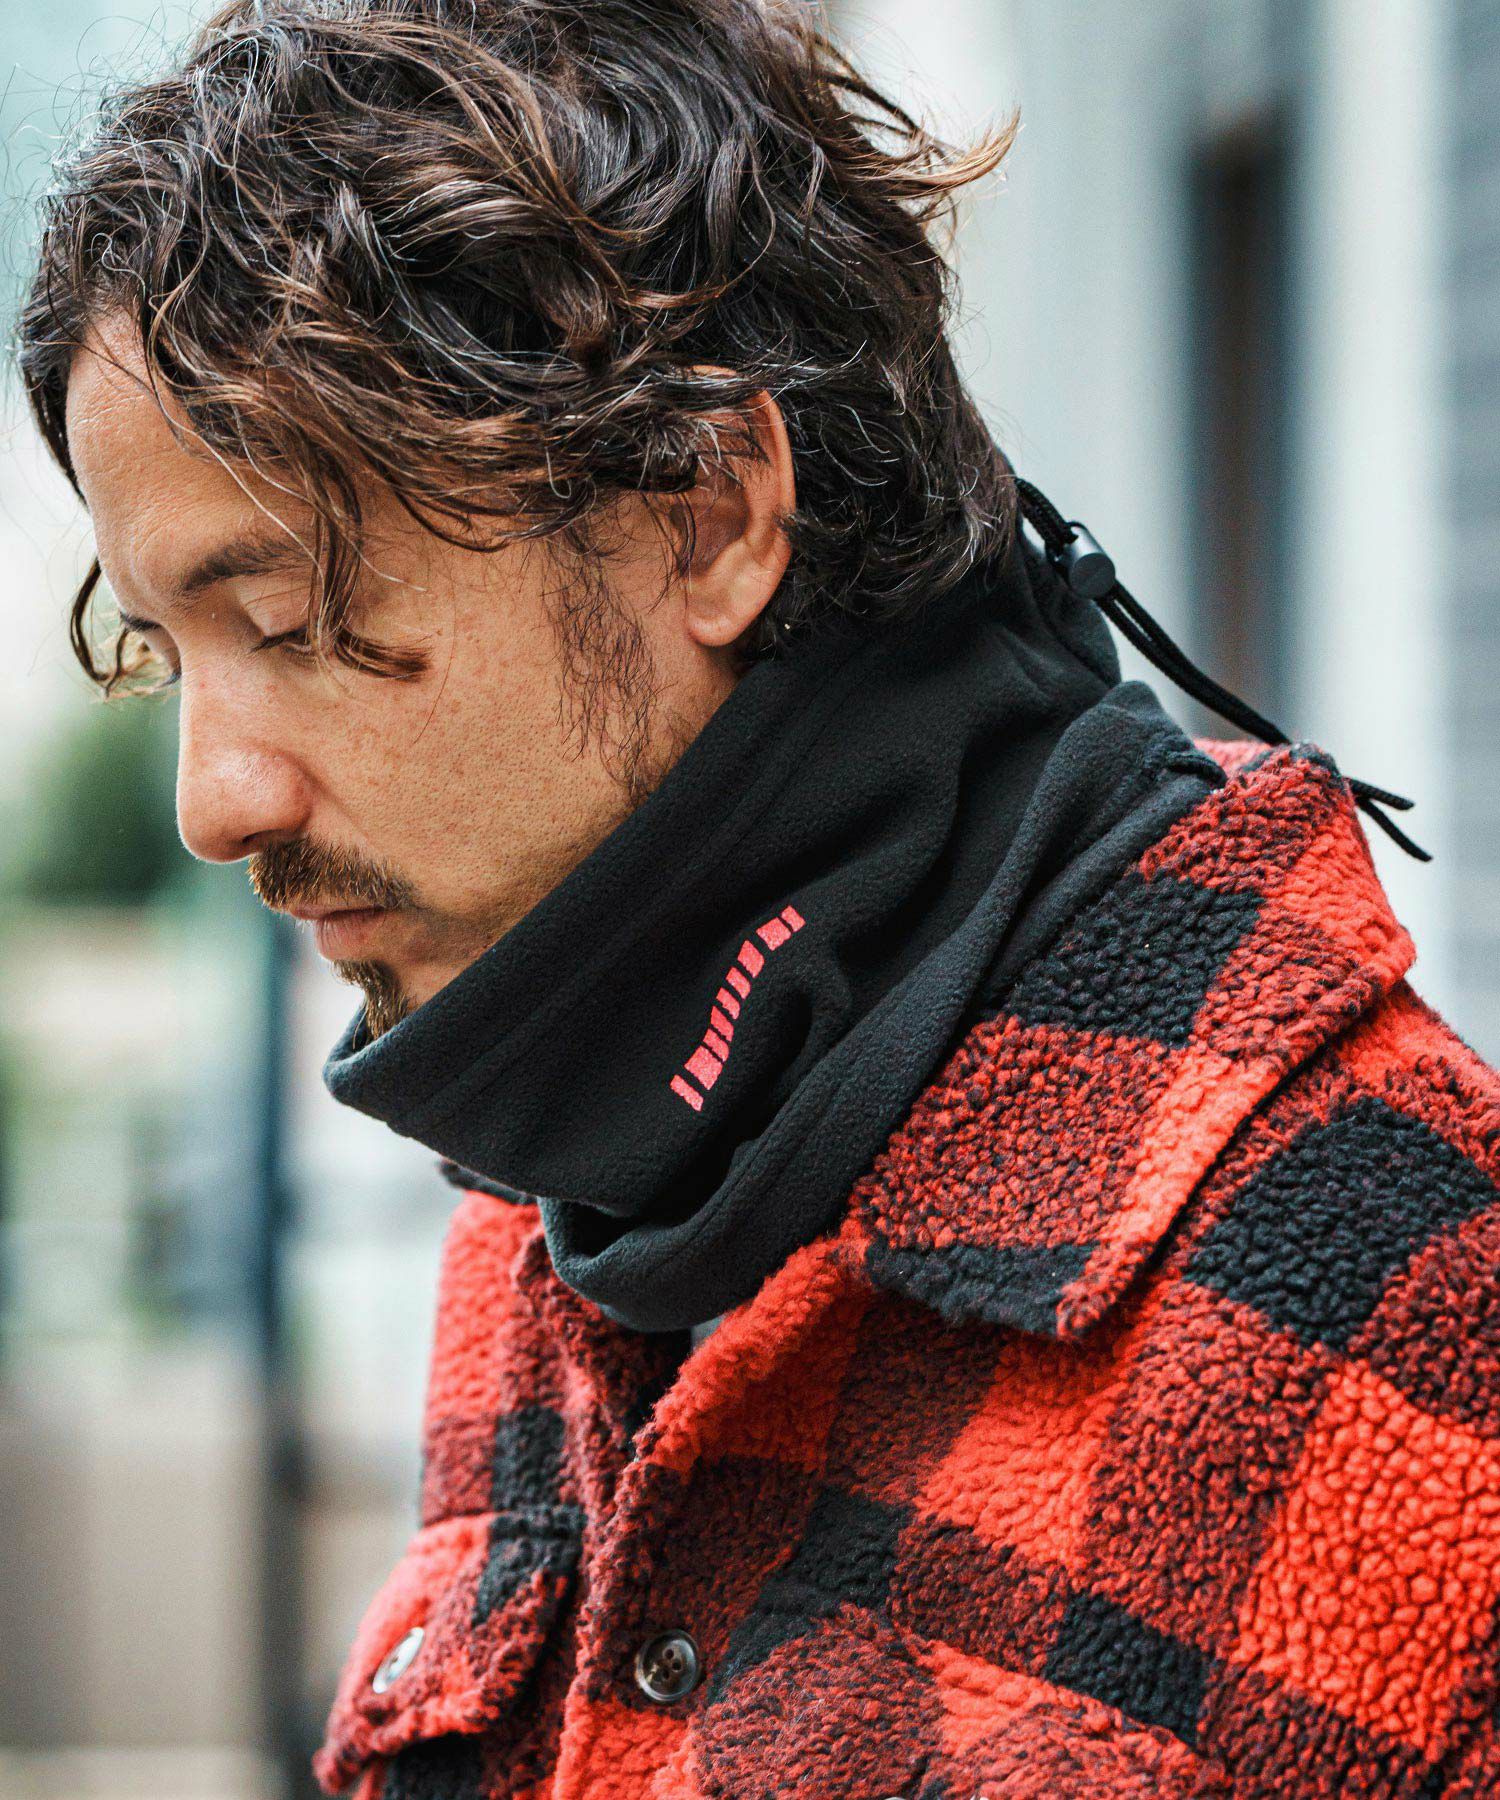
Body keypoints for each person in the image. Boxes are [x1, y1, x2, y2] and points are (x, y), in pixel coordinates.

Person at [21, 1, 1500, 1794]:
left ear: (707, 515)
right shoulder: (567, 1190)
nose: (211, 801)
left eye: (288, 620)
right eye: (167, 652)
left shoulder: (1421, 1313)